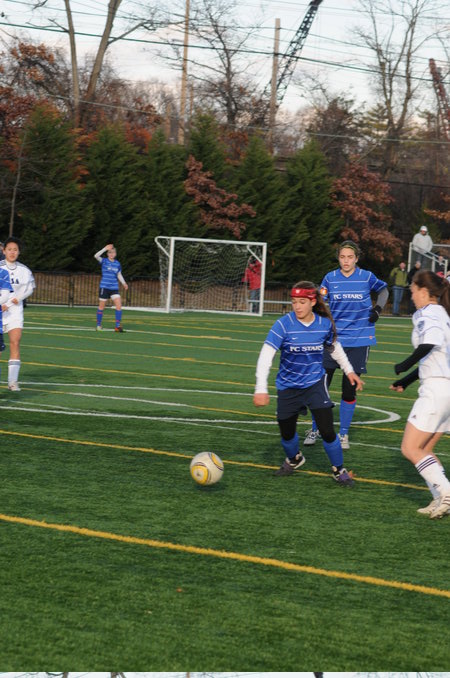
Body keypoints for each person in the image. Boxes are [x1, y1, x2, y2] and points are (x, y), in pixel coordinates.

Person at [253, 280, 364, 485]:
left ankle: (339, 469)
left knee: (327, 431)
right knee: (287, 433)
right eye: (294, 302)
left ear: (313, 302)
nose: (297, 306)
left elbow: (334, 348)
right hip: (288, 386)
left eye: (302, 302)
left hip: (315, 384)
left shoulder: (324, 324)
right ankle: (295, 459)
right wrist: (261, 388)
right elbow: (266, 355)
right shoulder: (283, 324)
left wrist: (349, 370)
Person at [303, 240, 388, 450]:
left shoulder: (366, 276)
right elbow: (319, 301)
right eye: (342, 257)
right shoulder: (330, 278)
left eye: (350, 257)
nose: (346, 261)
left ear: (356, 259)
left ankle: (343, 434)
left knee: (349, 391)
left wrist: (378, 309)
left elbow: (384, 291)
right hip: (333, 340)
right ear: (338, 258)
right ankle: (315, 428)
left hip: (359, 339)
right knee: (320, 386)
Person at [390, 270, 450, 519]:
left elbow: (429, 343)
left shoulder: (428, 313)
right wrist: (406, 380)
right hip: (444, 388)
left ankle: (447, 492)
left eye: (413, 291)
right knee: (424, 449)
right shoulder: (443, 313)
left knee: (410, 448)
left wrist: (404, 365)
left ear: (424, 292)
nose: (412, 296)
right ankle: (439, 498)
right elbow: (434, 357)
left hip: (436, 390)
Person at [0, 237, 35, 391]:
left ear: (19, 252)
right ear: (4, 251)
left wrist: (17, 299)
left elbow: (30, 288)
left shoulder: (24, 270)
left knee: (15, 342)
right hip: (0, 312)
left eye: (15, 250)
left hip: (14, 312)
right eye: (9, 249)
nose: (12, 252)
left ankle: (12, 382)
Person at [94, 244, 128, 332]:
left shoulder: (117, 264)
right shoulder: (104, 261)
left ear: (115, 254)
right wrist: (105, 248)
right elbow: (96, 256)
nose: (111, 254)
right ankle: (98, 325)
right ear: (107, 254)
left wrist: (124, 283)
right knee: (101, 307)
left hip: (114, 288)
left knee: (119, 306)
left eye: (113, 252)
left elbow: (119, 274)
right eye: (110, 252)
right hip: (104, 287)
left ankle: (117, 326)